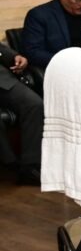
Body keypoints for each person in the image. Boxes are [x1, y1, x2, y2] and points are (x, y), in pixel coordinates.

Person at [0, 41, 43, 185]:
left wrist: (15, 57)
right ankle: (10, 163)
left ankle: (31, 167)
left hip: (2, 79)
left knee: (34, 104)